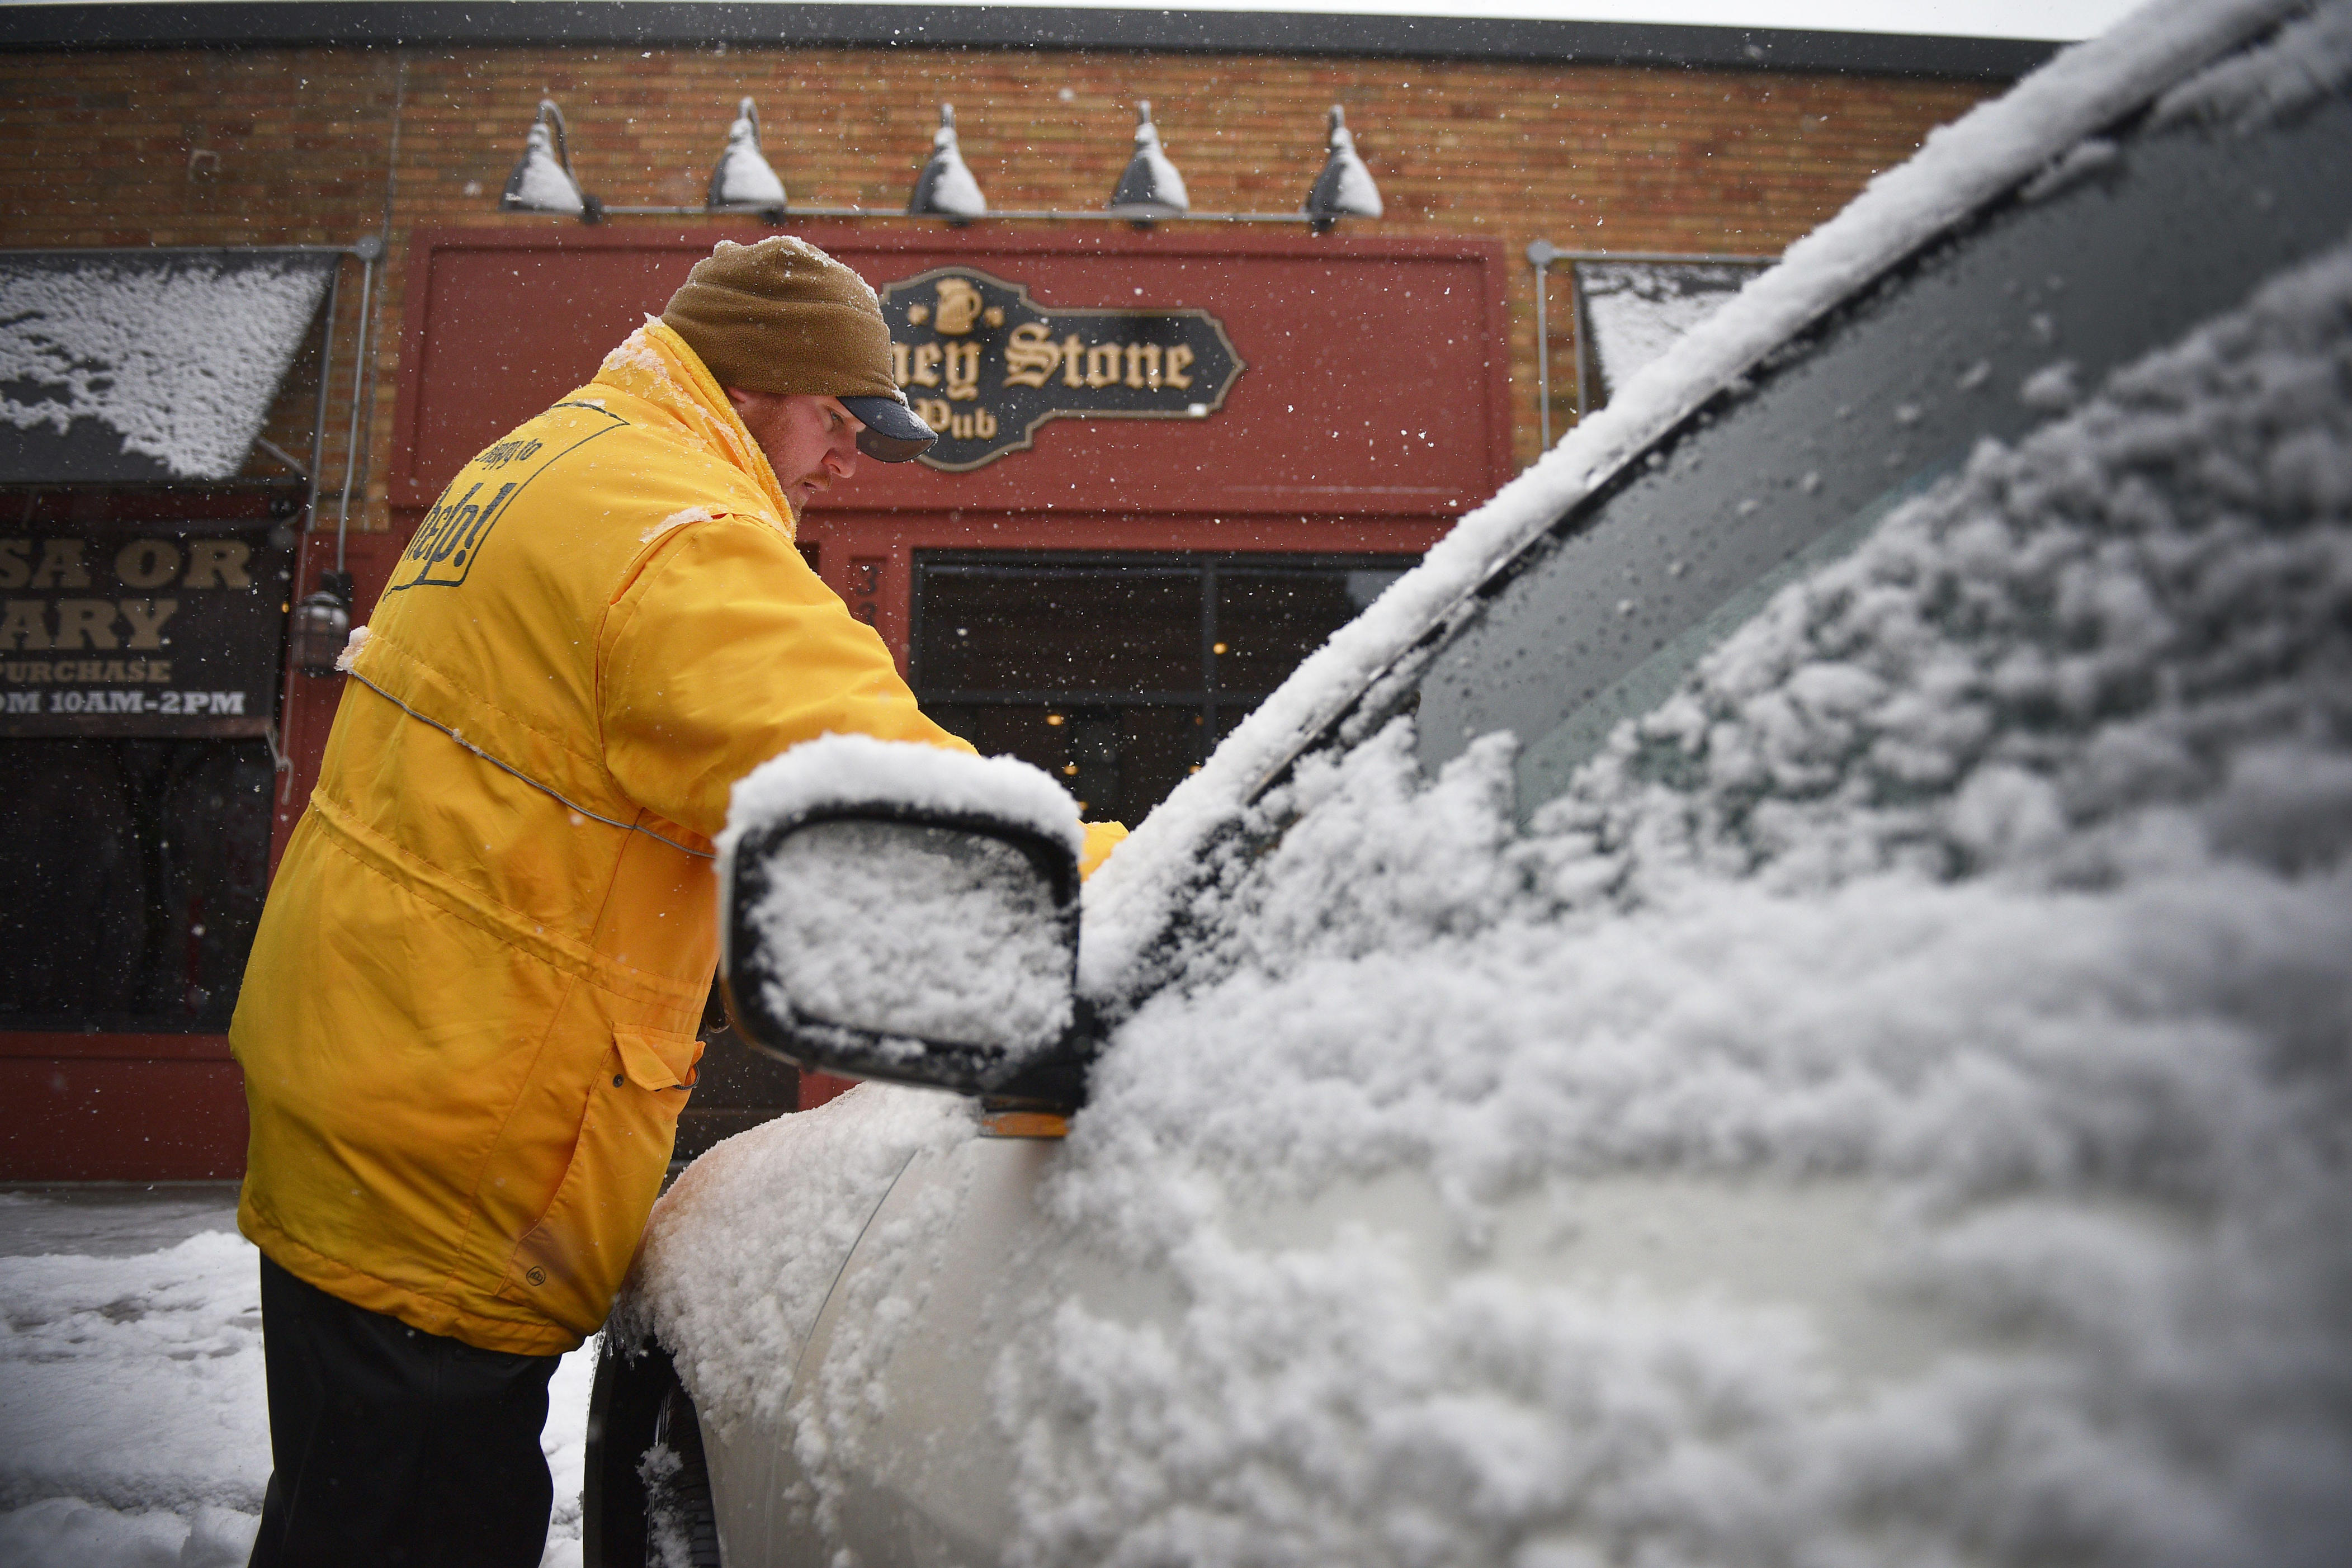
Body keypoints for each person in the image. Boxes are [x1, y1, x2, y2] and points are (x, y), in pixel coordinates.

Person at [230, 235, 1122, 1565]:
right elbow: (900, 803)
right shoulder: (676, 539)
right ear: (755, 389)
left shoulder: (550, 458)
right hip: (452, 1150)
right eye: (840, 419)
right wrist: (1155, 891)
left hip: (372, 1092)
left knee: (344, 1518)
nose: (849, 458)